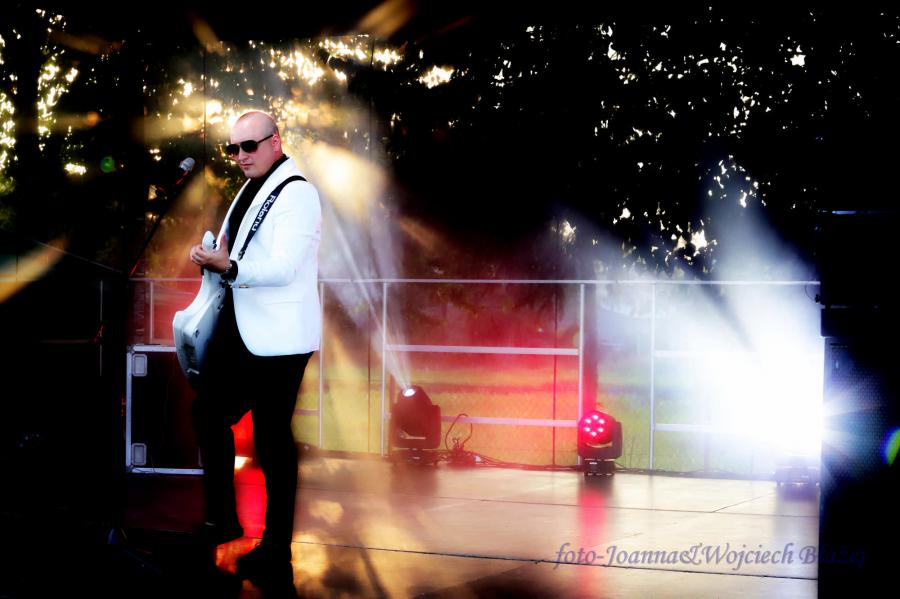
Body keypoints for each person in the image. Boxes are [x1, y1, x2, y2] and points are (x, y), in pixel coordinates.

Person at [188, 110, 321, 586]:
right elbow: (238, 252)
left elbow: (284, 267)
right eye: (233, 148)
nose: (240, 156)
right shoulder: (252, 187)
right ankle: (223, 519)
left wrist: (229, 267)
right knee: (209, 413)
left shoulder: (298, 192)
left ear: (275, 141)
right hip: (247, 331)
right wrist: (211, 256)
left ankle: (276, 548)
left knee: (271, 439)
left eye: (249, 146)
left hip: (281, 339)